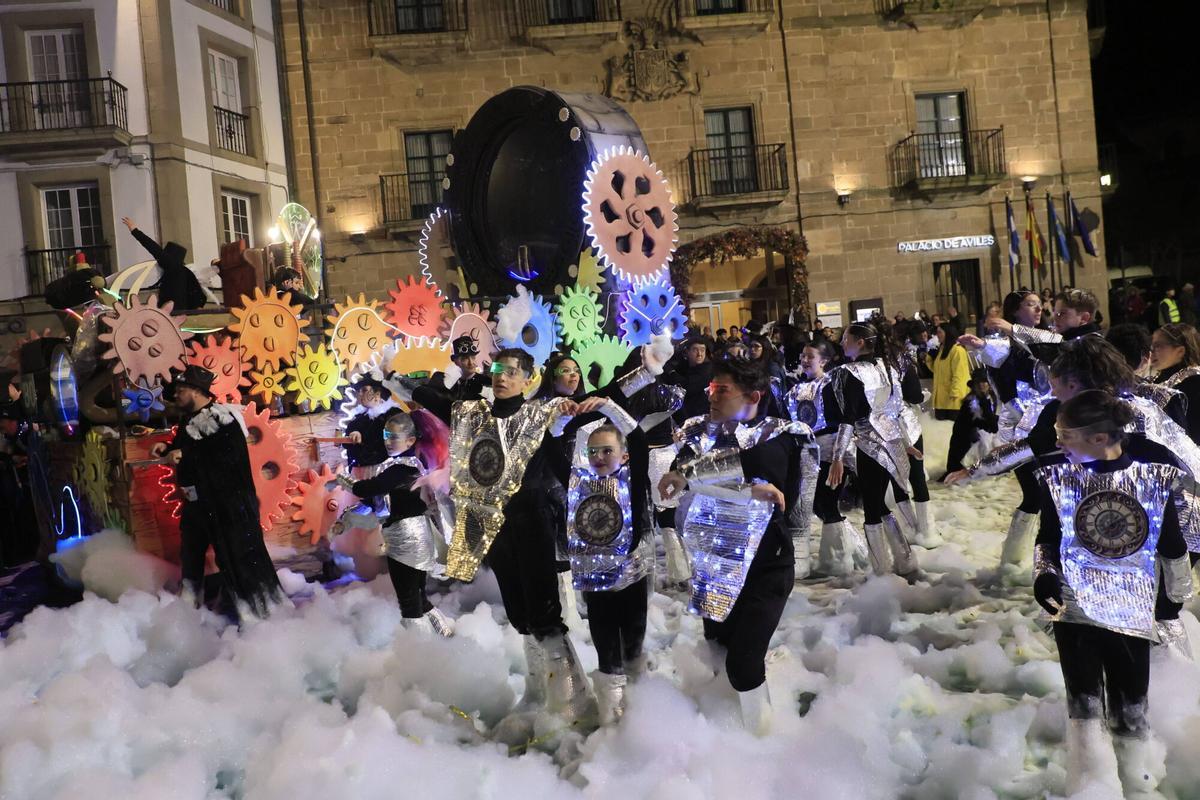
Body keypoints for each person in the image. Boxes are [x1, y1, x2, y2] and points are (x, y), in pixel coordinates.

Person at [409, 348, 594, 726]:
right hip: (495, 526)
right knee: (520, 615)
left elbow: (566, 470)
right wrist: (472, 378)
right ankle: (539, 691)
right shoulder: (473, 416)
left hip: (534, 521)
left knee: (545, 615)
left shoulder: (539, 415)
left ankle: (573, 704)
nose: (502, 377)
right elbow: (426, 396)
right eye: (497, 371)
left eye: (512, 372)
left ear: (529, 379)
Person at [1034, 390, 1192, 796]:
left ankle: (1139, 780)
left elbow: (1172, 547)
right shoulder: (1057, 477)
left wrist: (1172, 604)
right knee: (1083, 706)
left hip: (1133, 614)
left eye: (1065, 435)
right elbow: (1048, 539)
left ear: (1099, 438)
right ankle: (1091, 784)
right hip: (1073, 613)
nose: (1058, 443)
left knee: (1131, 705)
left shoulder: (1153, 480)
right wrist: (1044, 574)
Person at [658, 359, 814, 735]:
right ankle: (728, 737)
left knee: (743, 663)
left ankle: (765, 741)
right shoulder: (699, 432)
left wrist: (698, 478)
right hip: (716, 564)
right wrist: (704, 480)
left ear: (754, 396)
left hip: (767, 566)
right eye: (711, 389)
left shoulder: (779, 436)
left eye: (722, 390)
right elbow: (673, 481)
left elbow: (780, 496)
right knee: (719, 652)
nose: (711, 396)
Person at [151, 366, 283, 619]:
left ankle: (254, 610)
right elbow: (189, 447)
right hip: (197, 503)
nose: (176, 395)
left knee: (237, 557)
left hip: (227, 506)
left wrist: (186, 455)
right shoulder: (188, 421)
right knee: (191, 554)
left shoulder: (224, 419)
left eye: (181, 390)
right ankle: (189, 605)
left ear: (197, 391)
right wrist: (168, 447)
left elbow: (228, 460)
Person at [565, 421, 653, 725]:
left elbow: (639, 440)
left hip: (632, 581)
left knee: (632, 648)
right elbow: (553, 452)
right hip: (596, 584)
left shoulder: (633, 480)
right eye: (592, 451)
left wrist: (607, 405)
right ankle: (612, 724)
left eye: (607, 450)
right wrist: (568, 419)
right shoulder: (579, 481)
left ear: (624, 455)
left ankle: (641, 715)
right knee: (607, 653)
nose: (599, 457)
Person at [337, 410, 455, 635]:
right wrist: (347, 520)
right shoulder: (405, 467)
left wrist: (342, 477)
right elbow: (376, 501)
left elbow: (366, 488)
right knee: (417, 595)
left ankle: (421, 653)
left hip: (407, 538)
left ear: (410, 440)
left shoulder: (402, 469)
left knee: (409, 601)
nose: (388, 441)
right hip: (415, 535)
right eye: (386, 435)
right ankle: (444, 635)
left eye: (394, 437)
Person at [824, 317, 922, 580]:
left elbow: (848, 419)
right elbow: (896, 408)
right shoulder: (885, 365)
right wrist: (904, 442)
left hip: (869, 447)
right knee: (878, 503)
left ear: (860, 343)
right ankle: (905, 561)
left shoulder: (849, 372)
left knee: (872, 507)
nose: (842, 343)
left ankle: (882, 572)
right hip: (889, 444)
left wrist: (837, 458)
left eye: (846, 339)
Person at [785, 339, 866, 576]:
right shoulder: (796, 389)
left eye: (810, 356)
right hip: (809, 453)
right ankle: (852, 553)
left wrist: (839, 457)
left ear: (824, 360)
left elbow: (846, 420)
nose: (805, 360)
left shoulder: (834, 384)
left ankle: (841, 561)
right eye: (803, 355)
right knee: (820, 505)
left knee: (826, 502)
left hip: (833, 452)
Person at [122, 217, 206, 310]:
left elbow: (154, 248)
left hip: (173, 314)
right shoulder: (185, 272)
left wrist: (135, 231)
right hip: (183, 314)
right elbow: (199, 296)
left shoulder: (172, 267)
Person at [342, 375, 402, 479]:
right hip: (359, 472)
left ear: (377, 395)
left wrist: (363, 442)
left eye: (364, 390)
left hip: (383, 473)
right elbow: (347, 441)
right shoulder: (360, 417)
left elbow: (392, 444)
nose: (360, 394)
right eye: (359, 391)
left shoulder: (393, 415)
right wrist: (353, 434)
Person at [1151, 323, 1200, 444]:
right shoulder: (1160, 379)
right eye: (1151, 345)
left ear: (1180, 351)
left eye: (1158, 346)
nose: (1151, 351)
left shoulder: (1194, 383)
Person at [944, 369, 999, 474]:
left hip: (976, 439)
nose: (982, 385)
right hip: (965, 444)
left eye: (985, 381)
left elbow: (990, 422)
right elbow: (986, 424)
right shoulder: (972, 402)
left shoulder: (989, 399)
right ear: (974, 385)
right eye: (979, 382)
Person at [928, 321, 970, 420]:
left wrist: (955, 393)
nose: (937, 335)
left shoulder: (957, 350)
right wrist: (928, 359)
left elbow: (960, 374)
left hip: (954, 399)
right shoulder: (942, 349)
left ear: (947, 333)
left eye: (939, 332)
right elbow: (937, 372)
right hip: (942, 400)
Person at [428, 335, 489, 402]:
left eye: (473, 357)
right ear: (456, 362)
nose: (471, 362)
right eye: (465, 359)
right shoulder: (447, 381)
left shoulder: (485, 382)